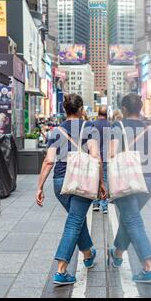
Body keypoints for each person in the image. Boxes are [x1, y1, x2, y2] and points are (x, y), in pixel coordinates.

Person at [36, 94, 107, 285]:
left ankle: (88, 253)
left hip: (60, 182)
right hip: (83, 180)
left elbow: (49, 160)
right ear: (81, 109)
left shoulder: (55, 131)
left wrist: (40, 186)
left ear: (65, 109)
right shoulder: (89, 128)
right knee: (74, 221)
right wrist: (101, 183)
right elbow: (96, 158)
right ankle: (61, 270)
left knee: (76, 219)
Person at [110, 93, 151, 284]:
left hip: (127, 180)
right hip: (148, 182)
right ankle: (118, 253)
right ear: (141, 109)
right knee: (130, 218)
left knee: (133, 222)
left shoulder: (117, 127)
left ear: (124, 110)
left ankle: (148, 268)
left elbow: (112, 154)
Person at [92, 106, 111, 214]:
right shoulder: (110, 125)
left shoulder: (93, 124)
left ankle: (95, 203)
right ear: (107, 114)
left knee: (95, 179)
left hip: (95, 156)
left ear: (98, 113)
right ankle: (104, 206)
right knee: (105, 179)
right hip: (106, 156)